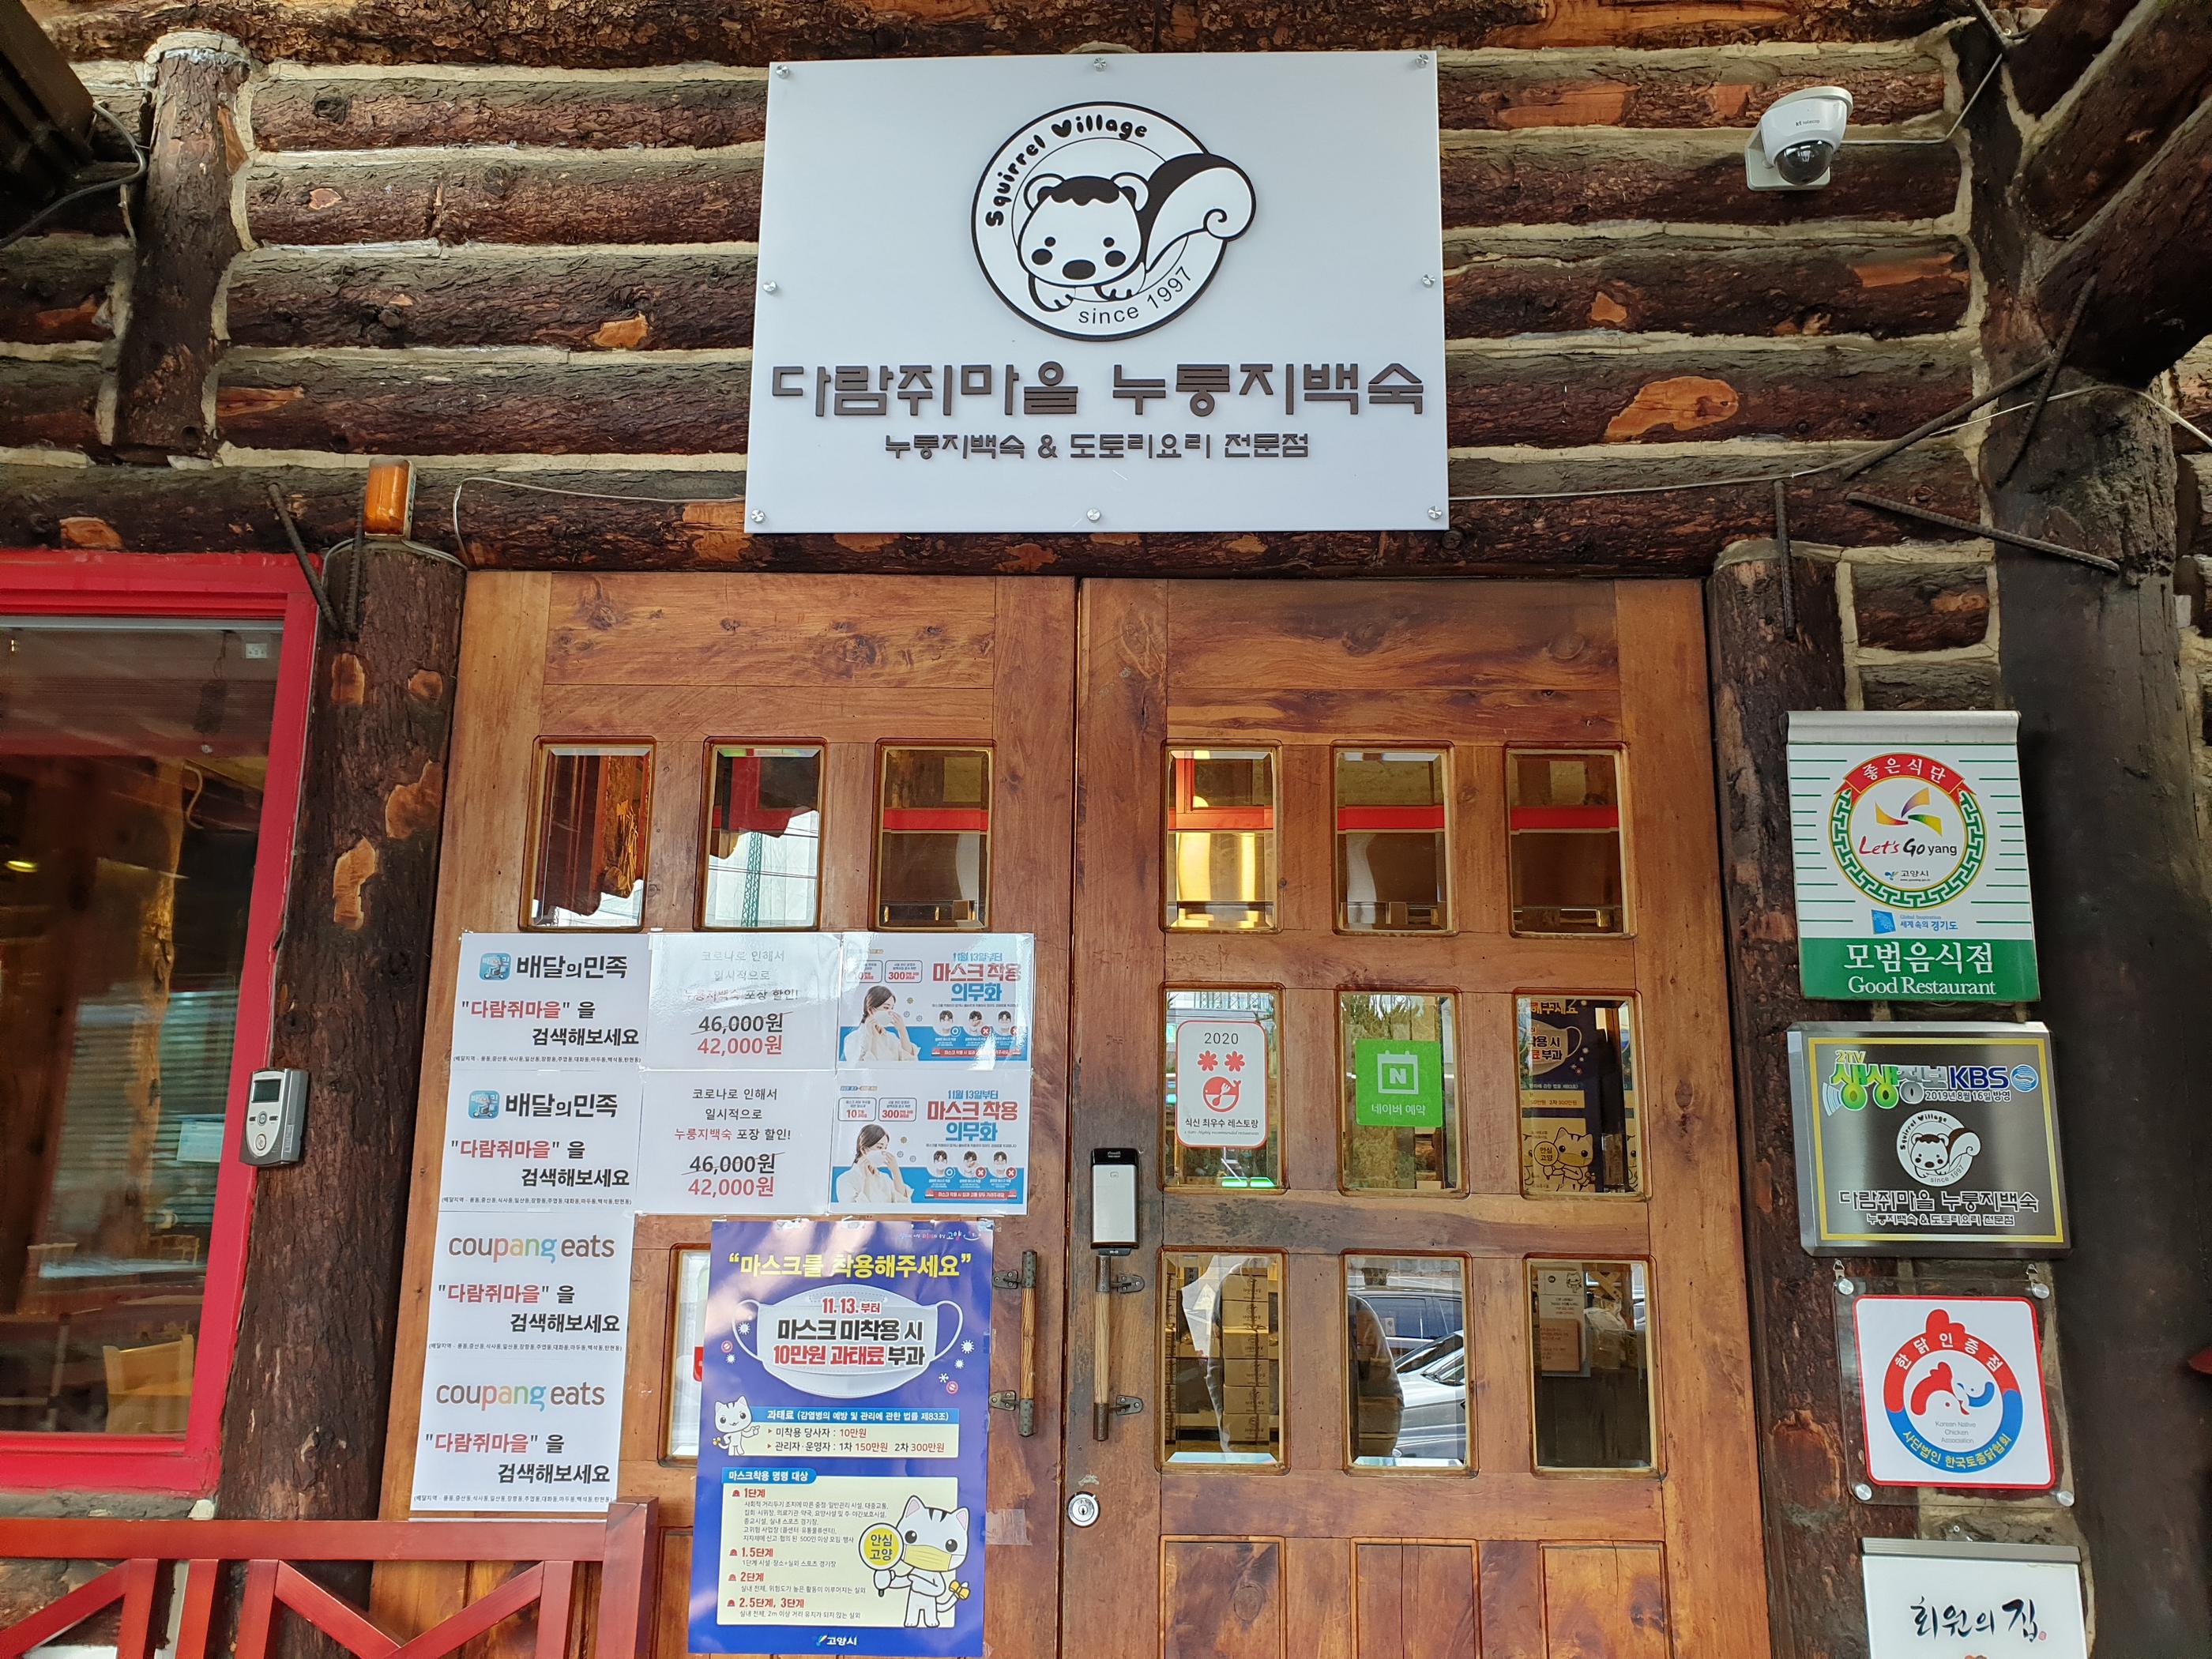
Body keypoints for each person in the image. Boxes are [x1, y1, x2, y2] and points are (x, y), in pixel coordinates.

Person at [835, 1123, 908, 1207]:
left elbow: (904, 1206)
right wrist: (867, 1180)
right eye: (880, 1147)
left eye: (885, 1148)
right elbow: (855, 1214)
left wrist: (896, 1172)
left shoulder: (885, 1179)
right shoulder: (845, 1180)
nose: (883, 1152)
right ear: (864, 1150)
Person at [844, 984, 919, 1064]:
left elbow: (911, 1063)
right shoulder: (853, 1039)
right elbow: (865, 1069)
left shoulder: (891, 1038)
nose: (890, 1012)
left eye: (892, 1008)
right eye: (886, 1008)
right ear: (871, 1010)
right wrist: (872, 1035)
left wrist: (902, 1030)